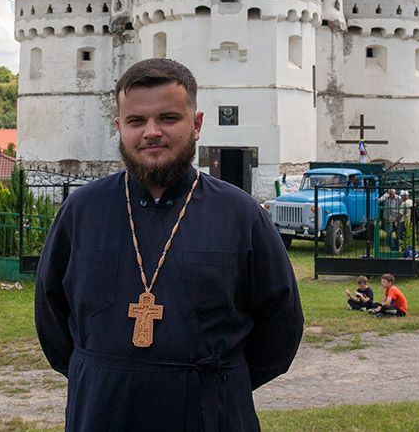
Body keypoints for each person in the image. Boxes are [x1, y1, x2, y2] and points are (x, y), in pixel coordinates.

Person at [35, 58, 303, 431]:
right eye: (136, 121)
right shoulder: (81, 211)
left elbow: (280, 326)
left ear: (196, 125)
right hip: (101, 411)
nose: (151, 132)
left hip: (211, 411)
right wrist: (100, 371)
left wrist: (215, 380)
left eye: (168, 118)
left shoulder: (239, 214)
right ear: (119, 127)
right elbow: (51, 314)